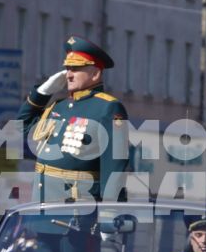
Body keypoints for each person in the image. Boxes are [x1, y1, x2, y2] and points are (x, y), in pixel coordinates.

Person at [17, 36, 131, 201]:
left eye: (76, 68)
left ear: (95, 73)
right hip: (40, 210)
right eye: (68, 68)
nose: (69, 75)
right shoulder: (58, 106)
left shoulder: (108, 108)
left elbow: (114, 170)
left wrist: (109, 215)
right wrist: (41, 93)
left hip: (75, 214)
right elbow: (21, 128)